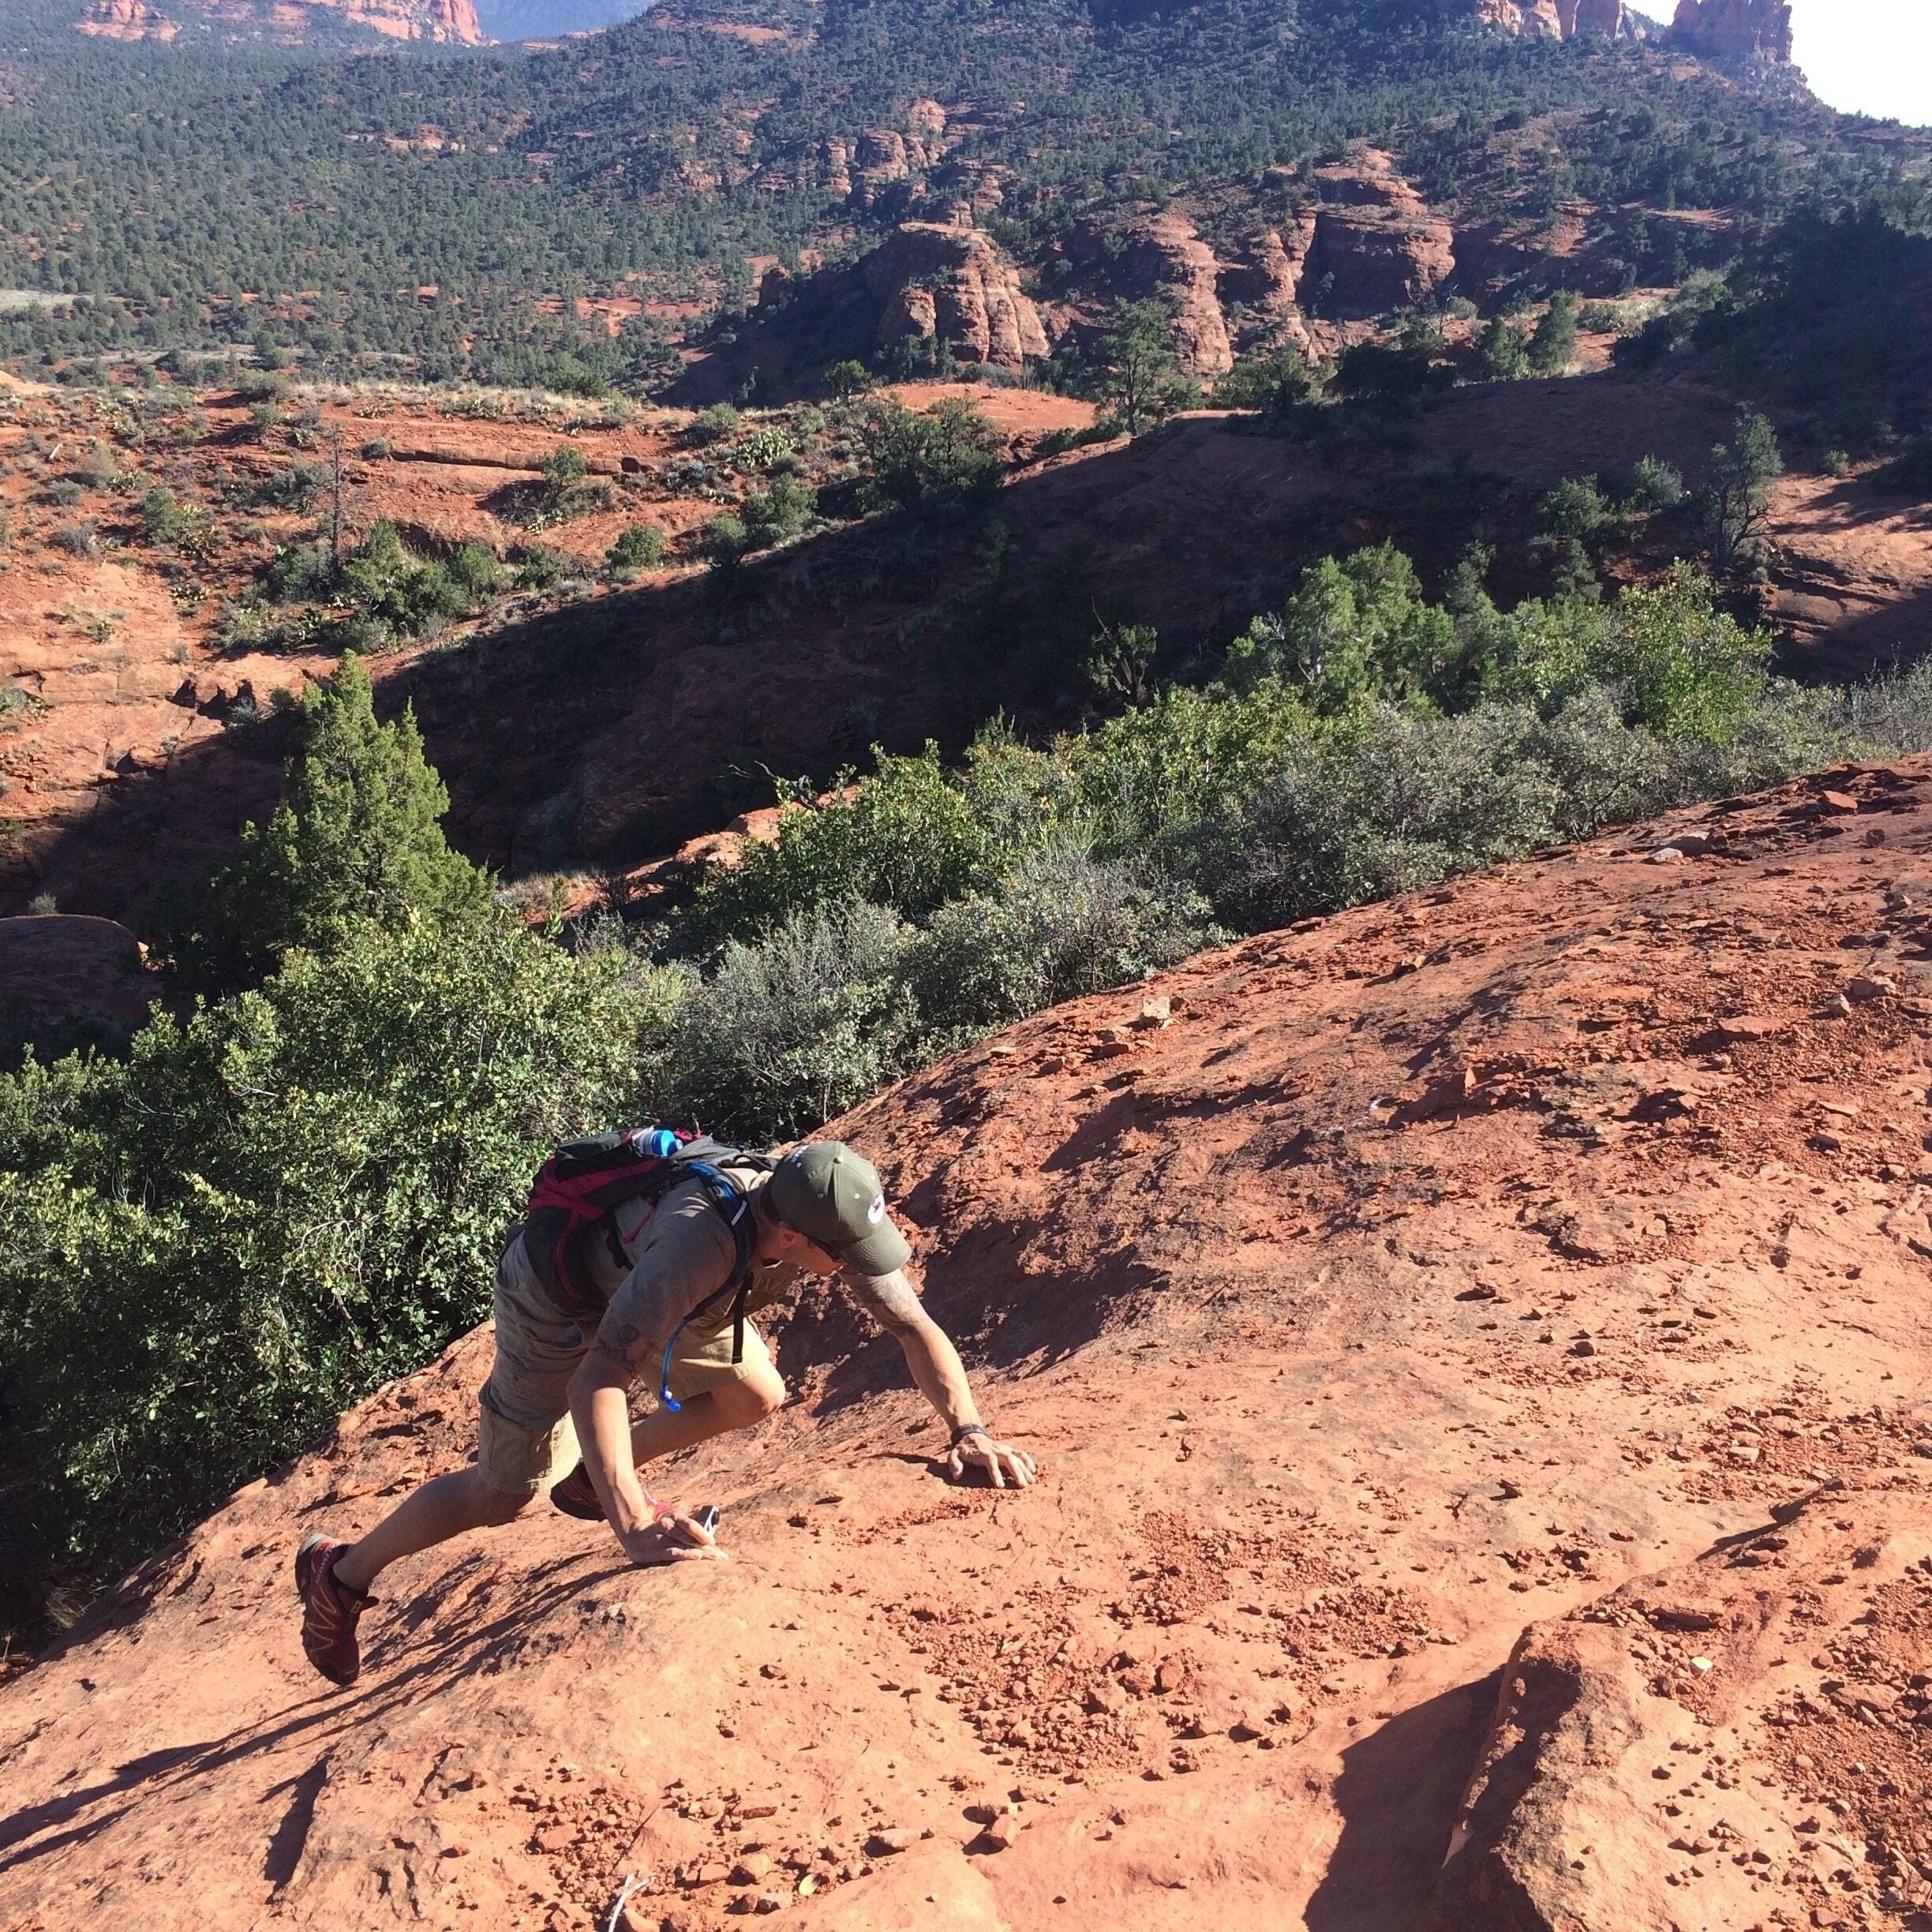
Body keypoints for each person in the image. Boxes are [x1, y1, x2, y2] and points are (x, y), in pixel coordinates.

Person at [296, 1140, 1033, 1686]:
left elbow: (912, 1324)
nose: (859, 1263)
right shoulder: (700, 1243)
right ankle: (340, 1574)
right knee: (505, 1493)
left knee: (756, 1393)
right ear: (790, 1237)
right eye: (846, 1251)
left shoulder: (808, 1219)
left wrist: (968, 1429)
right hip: (561, 1303)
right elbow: (598, 1378)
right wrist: (637, 1526)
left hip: (675, 1300)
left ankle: (593, 1475)